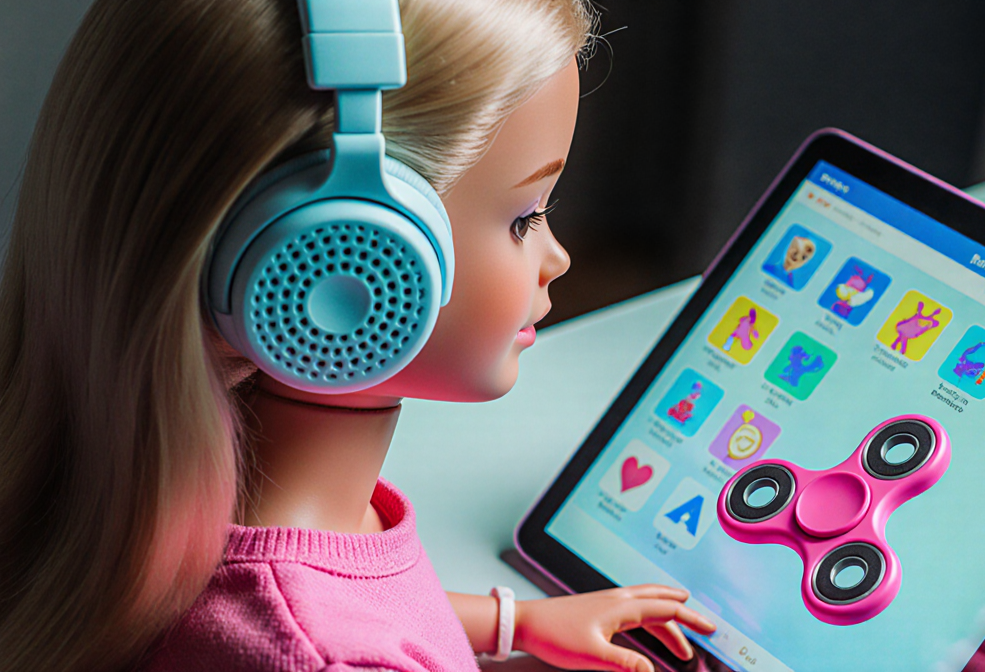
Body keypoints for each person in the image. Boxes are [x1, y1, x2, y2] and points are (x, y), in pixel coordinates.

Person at [0, 1, 715, 670]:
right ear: (341, 255)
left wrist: (513, 624)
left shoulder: (157, 474)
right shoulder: (320, 650)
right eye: (524, 217)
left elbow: (360, 603)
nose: (557, 258)